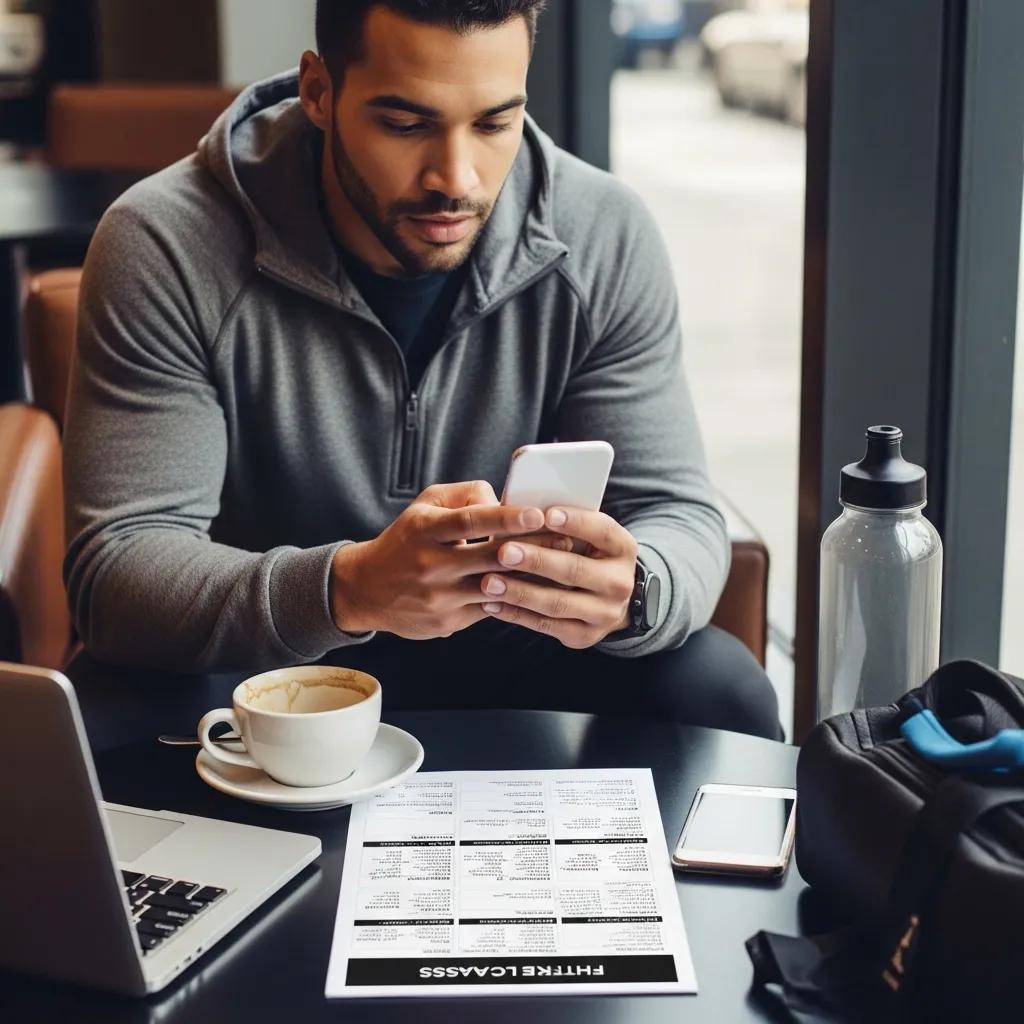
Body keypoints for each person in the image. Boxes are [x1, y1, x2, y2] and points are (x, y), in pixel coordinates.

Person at [62, 0, 782, 740]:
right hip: (269, 664)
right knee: (107, 706)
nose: (456, 179)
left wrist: (632, 591)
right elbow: (118, 569)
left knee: (721, 694)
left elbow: (678, 513)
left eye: (495, 123)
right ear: (318, 92)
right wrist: (347, 590)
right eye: (405, 124)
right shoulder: (166, 242)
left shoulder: (602, 233)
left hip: (519, 643)